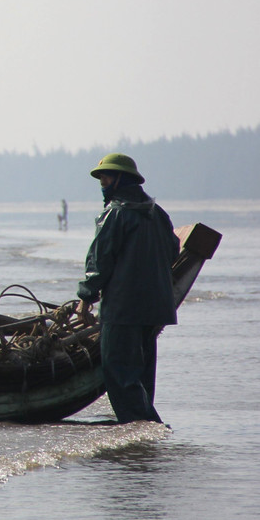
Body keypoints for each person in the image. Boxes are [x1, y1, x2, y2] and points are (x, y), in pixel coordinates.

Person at [76, 153, 179, 424]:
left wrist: (86, 296)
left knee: (119, 372)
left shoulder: (115, 213)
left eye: (107, 177)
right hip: (156, 308)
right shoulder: (158, 214)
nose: (102, 183)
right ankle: (145, 436)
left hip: (123, 309)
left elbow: (100, 260)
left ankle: (145, 427)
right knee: (143, 375)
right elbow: (173, 251)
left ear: (122, 180)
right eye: (100, 178)